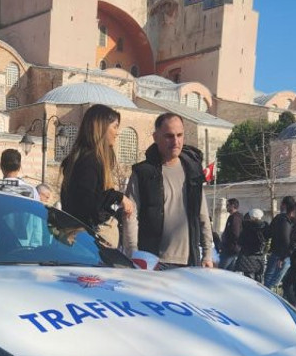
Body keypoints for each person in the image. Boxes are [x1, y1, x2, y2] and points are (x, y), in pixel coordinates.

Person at [121, 113, 215, 269]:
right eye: (169, 136)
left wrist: (207, 254)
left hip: (190, 262)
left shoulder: (193, 170)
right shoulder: (143, 173)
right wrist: (134, 255)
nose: (176, 141)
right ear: (156, 137)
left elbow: (202, 213)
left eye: (179, 135)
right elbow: (131, 216)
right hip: (153, 263)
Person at [59, 104, 134, 236]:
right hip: (88, 236)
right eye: (115, 126)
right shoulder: (89, 161)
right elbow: (87, 202)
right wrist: (118, 197)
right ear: (102, 127)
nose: (117, 132)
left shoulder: (83, 159)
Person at [262, 196, 295, 290]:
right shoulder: (293, 220)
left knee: (269, 280)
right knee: (275, 281)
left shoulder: (280, 218)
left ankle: (265, 299)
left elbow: (270, 233)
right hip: (288, 255)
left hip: (278, 253)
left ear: (284, 205)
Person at [235, 208, 268, 281]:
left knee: (249, 279)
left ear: (251, 217)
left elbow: (240, 241)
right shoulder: (265, 227)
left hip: (247, 256)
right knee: (259, 279)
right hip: (260, 257)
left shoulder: (247, 227)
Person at [219, 198, 243, 270]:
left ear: (232, 206)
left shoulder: (235, 217)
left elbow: (236, 233)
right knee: (229, 270)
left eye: (228, 205)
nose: (226, 207)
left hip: (230, 249)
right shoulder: (236, 216)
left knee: (221, 269)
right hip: (232, 248)